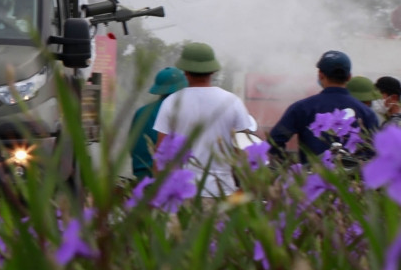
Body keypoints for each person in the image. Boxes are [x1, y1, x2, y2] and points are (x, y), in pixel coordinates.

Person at [153, 42, 257, 198]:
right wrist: (245, 190)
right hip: (222, 190)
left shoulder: (172, 102)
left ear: (185, 71)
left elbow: (162, 153)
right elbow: (245, 152)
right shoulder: (232, 102)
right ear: (213, 71)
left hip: (182, 192)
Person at [268, 50, 379, 164]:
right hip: (353, 180)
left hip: (313, 179)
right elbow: (375, 152)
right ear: (349, 77)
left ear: (320, 75)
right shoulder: (366, 113)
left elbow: (275, 140)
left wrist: (286, 168)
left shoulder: (301, 108)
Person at [129, 67, 186, 181]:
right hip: (167, 178)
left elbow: (132, 145)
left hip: (142, 177)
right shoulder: (181, 111)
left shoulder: (142, 112)